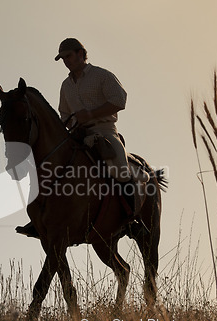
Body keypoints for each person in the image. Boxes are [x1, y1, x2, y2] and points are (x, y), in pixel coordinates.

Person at [16, 38, 147, 238]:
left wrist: (91, 114)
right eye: (63, 59)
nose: (66, 61)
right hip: (78, 135)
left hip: (105, 131)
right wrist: (68, 126)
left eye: (68, 56)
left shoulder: (102, 75)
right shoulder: (65, 86)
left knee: (120, 165)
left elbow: (120, 100)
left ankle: (131, 219)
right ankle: (41, 219)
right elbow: (64, 115)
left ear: (81, 54)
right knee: (49, 166)